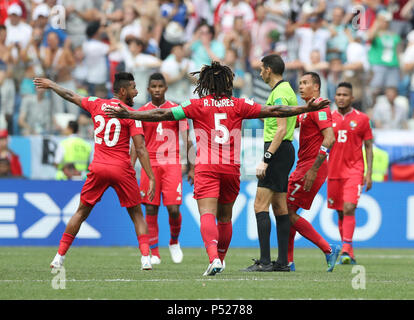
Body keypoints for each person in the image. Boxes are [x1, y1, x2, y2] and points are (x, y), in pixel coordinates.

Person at [105, 61, 330, 276]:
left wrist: (131, 114)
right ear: (227, 84)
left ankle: (213, 258)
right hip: (231, 168)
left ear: (206, 85)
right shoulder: (240, 104)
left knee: (207, 214)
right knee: (225, 218)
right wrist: (302, 108)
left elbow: (160, 113)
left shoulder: (196, 105)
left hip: (207, 167)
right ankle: (221, 259)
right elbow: (276, 111)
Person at [34, 72, 156, 271]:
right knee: (137, 215)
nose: (137, 91)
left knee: (81, 212)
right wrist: (150, 177)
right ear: (123, 91)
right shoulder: (131, 115)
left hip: (98, 167)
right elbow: (140, 149)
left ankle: (59, 257)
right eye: (133, 88)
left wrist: (51, 84)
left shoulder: (95, 103)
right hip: (121, 169)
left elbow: (70, 94)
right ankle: (145, 259)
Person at [243, 54, 297, 272]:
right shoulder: (281, 92)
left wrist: (266, 159)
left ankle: (265, 262)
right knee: (279, 206)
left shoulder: (280, 93)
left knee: (259, 205)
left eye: (261, 69)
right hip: (284, 150)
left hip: (276, 150)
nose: (260, 73)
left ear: (269, 69)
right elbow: (276, 122)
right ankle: (282, 262)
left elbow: (281, 129)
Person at [135, 72, 194, 265]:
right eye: (154, 87)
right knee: (151, 209)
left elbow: (187, 139)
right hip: (149, 163)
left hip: (171, 162)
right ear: (148, 89)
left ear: (166, 88)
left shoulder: (177, 110)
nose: (157, 90)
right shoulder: (142, 112)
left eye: (161, 86)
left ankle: (174, 241)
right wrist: (129, 167)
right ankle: (154, 252)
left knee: (173, 209)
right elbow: (137, 143)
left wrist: (192, 166)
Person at [286, 72, 340, 272]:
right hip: (303, 166)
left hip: (311, 168)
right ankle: (288, 261)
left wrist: (313, 169)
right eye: (299, 83)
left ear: (316, 86)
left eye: (305, 83)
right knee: (289, 210)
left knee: (286, 211)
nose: (300, 86)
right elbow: (293, 120)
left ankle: (328, 249)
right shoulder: (308, 109)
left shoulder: (320, 107)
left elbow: (330, 139)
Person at [328, 82, 373, 265]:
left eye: (345, 95)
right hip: (334, 172)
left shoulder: (362, 119)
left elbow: (369, 147)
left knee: (349, 208)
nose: (341, 97)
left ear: (352, 98)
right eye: (338, 94)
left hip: (354, 171)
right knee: (340, 212)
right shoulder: (329, 119)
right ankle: (349, 252)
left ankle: (345, 248)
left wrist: (368, 174)